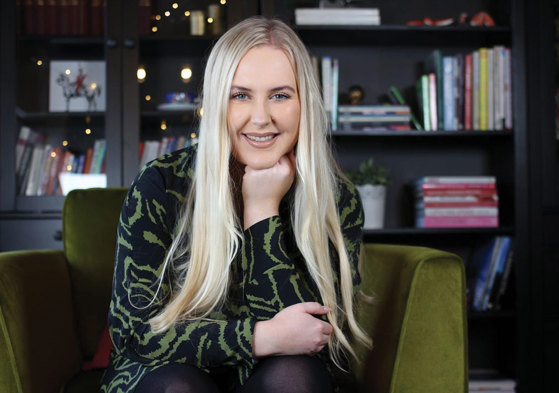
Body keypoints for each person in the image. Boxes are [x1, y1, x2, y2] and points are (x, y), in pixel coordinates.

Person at [101, 16, 371, 393]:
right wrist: (263, 337)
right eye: (240, 95)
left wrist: (262, 212)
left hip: (277, 379)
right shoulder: (162, 184)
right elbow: (136, 333)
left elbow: (312, 340)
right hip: (164, 375)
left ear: (304, 103)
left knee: (295, 376)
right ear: (216, 103)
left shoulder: (337, 200)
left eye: (280, 95)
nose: (261, 118)